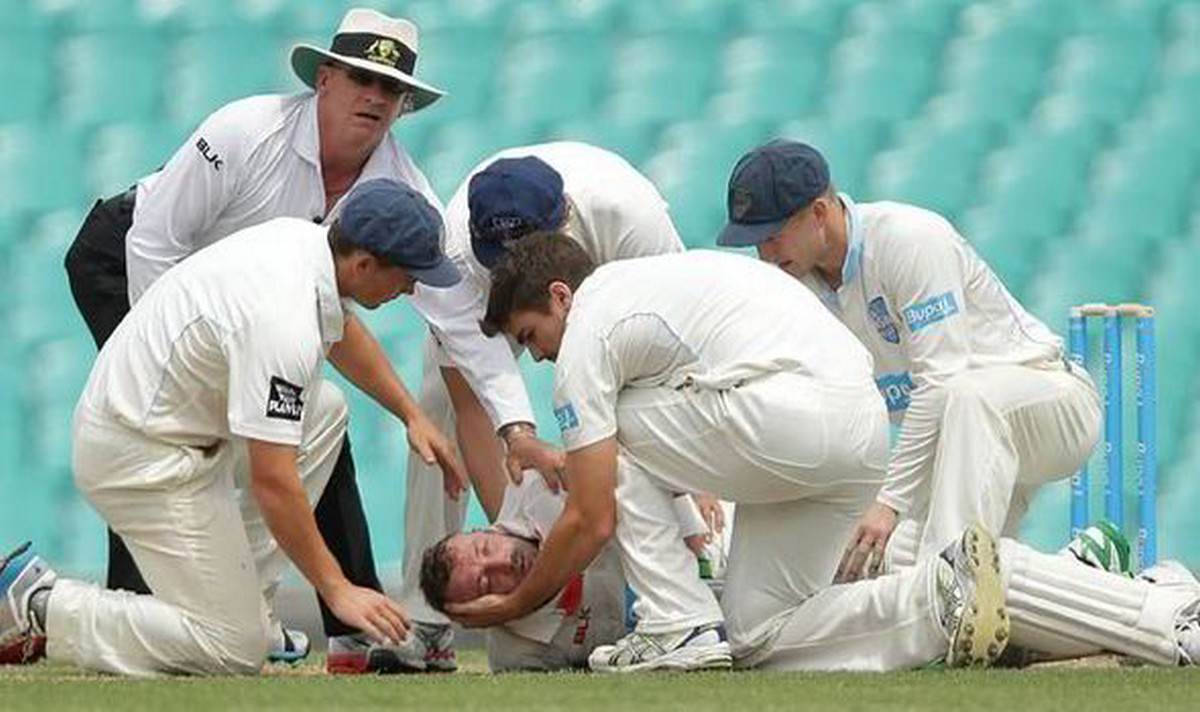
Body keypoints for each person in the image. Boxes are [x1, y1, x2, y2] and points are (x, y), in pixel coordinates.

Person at [61, 8, 446, 671]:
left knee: (317, 414)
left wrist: (417, 412)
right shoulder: (245, 131)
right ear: (324, 78)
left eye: (392, 90)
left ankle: (260, 608)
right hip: (131, 258)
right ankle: (127, 611)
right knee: (167, 439)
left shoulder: (388, 199)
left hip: (234, 301)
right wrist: (162, 368)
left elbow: (358, 323)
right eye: (361, 78)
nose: (376, 98)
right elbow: (153, 242)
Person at [441, 234, 1019, 672]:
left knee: (603, 434)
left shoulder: (588, 333)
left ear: (560, 297)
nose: (538, 356)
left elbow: (592, 516)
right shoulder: (648, 279)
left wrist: (514, 602)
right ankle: (937, 597)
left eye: (529, 336)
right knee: (756, 631)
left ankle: (676, 621)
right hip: (858, 433)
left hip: (791, 418)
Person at [0, 180, 463, 676]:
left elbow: (341, 328)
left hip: (171, 430)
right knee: (231, 651)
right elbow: (273, 481)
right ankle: (40, 601)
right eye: (409, 275)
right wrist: (336, 588)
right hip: (138, 455)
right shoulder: (282, 320)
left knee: (323, 410)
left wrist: (411, 414)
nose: (413, 288)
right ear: (364, 264)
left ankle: (249, 613)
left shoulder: (305, 245)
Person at [715, 140, 1102, 582]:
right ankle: (1088, 570)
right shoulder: (794, 285)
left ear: (819, 213)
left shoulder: (910, 239)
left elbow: (940, 382)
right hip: (960, 441)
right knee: (900, 561)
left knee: (964, 400)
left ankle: (948, 595)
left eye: (772, 234)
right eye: (754, 241)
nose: (764, 253)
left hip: (1052, 403)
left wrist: (890, 502)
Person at [400, 142, 693, 667]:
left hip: (622, 284)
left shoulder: (628, 219)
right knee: (437, 405)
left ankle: (691, 571)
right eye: (503, 261)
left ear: (565, 224)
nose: (515, 269)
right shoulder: (461, 257)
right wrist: (516, 533)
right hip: (486, 294)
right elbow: (471, 404)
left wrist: (696, 488)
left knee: (640, 408)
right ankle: (427, 625)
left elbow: (677, 355)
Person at [418, 479, 720, 672]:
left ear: (484, 529)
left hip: (712, 535)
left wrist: (694, 490)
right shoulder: (518, 655)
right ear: (478, 615)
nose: (503, 562)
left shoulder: (536, 487)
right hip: (695, 626)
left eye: (485, 548)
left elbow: (631, 465)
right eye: (486, 583)